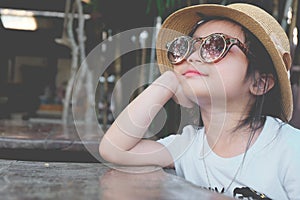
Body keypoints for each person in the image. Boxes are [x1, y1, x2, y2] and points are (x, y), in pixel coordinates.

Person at [99, 3, 300, 199]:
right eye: (187, 47)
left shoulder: (290, 149)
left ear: (260, 82)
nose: (193, 56)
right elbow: (113, 149)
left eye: (216, 45)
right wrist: (168, 80)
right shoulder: (188, 147)